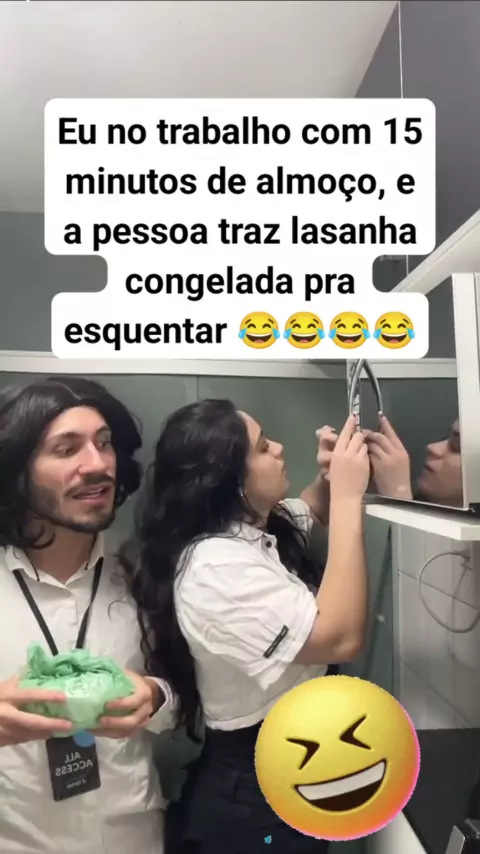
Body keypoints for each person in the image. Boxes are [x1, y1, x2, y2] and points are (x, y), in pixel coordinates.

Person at [122, 399, 370, 853]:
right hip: (254, 794)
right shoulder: (216, 567)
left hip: (289, 763)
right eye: (262, 447)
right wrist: (351, 497)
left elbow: (311, 508)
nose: (279, 449)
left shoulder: (252, 531)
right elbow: (340, 638)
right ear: (230, 481)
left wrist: (330, 480)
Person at [0, 376, 176, 854]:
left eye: (104, 443)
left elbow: (195, 691)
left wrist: (156, 696)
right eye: (66, 449)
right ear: (16, 471)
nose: (97, 464)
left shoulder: (143, 576)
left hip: (130, 837)